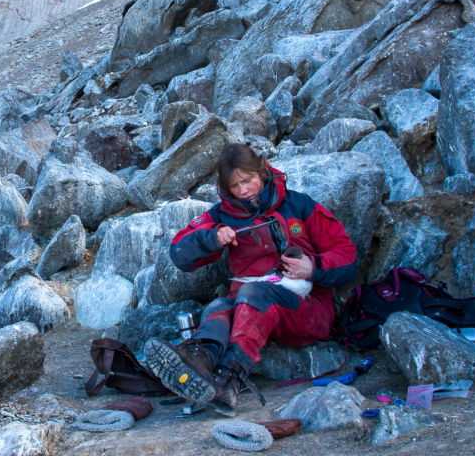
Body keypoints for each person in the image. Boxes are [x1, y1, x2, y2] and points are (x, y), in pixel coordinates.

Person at [144, 143, 357, 415]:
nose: (243, 190)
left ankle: (228, 379)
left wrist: (312, 266)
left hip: (308, 306)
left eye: (247, 181)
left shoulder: (299, 205)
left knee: (253, 294)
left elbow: (348, 255)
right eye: (235, 186)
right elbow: (179, 253)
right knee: (218, 307)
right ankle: (200, 363)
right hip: (249, 303)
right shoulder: (221, 215)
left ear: (262, 171)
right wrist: (212, 237)